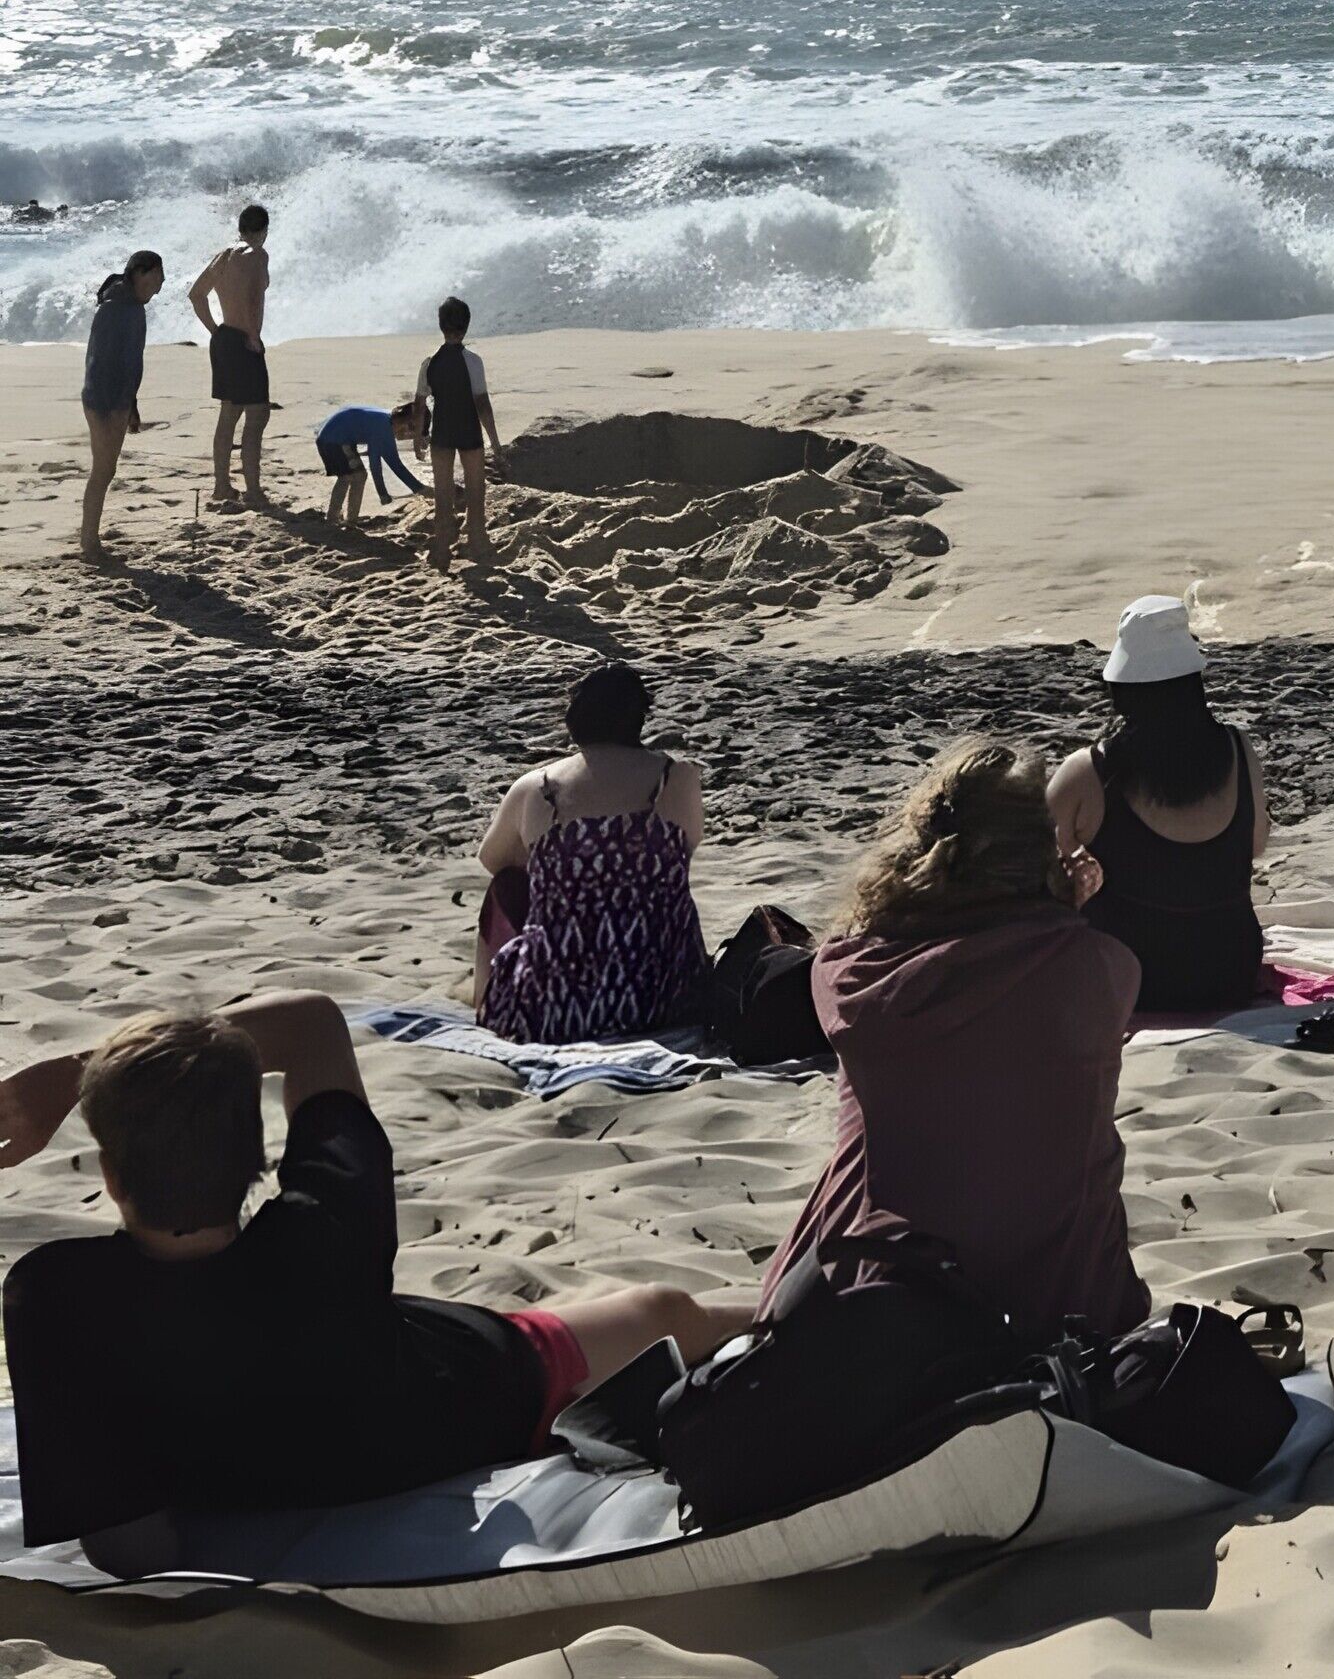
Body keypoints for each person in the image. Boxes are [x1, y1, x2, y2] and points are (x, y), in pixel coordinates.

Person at [0, 989, 747, 1570]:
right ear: (259, 1157)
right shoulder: (325, 1225)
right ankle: (801, 1301)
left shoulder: (56, 1299)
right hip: (467, 1398)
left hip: (406, 1384)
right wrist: (75, 1076)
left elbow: (132, 1552)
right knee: (664, 1311)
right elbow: (314, 1022)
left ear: (108, 1175)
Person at [767, 737, 1147, 1336]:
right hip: (1058, 1304)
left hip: (868, 1296)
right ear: (1042, 861)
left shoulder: (851, 977)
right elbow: (1038, 983)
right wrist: (1067, 909)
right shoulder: (1100, 970)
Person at [1048, 597, 1270, 1017]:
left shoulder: (1087, 771)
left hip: (1132, 979)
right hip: (1229, 971)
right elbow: (1255, 847)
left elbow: (1031, 869)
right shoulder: (1238, 749)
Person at [474, 663, 711, 1037]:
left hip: (556, 1008)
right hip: (664, 997)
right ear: (638, 719)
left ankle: (484, 1002)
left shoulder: (537, 786)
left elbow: (494, 860)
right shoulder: (676, 778)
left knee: (506, 886)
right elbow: (687, 850)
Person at [78, 253, 164, 563]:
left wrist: (132, 404)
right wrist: (115, 406)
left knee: (105, 469)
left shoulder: (124, 304)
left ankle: (90, 539)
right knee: (103, 470)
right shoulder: (119, 309)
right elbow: (103, 362)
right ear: (138, 274)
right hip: (105, 400)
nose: (159, 287)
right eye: (155, 279)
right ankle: (89, 543)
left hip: (113, 399)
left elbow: (129, 363)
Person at [189, 203, 272, 511]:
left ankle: (222, 485)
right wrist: (251, 336)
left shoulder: (224, 256)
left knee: (229, 414)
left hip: (224, 339)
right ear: (263, 231)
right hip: (244, 341)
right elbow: (253, 298)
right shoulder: (258, 255)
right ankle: (253, 489)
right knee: (257, 414)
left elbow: (196, 295)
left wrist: (215, 330)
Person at [415, 296, 500, 569]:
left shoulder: (430, 363)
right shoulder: (473, 361)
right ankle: (477, 540)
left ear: (441, 326)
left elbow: (420, 404)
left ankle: (442, 548)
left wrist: (418, 436)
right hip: (469, 434)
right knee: (476, 489)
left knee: (443, 492)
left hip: (442, 434)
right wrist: (495, 443)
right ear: (466, 327)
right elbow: (482, 404)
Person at [317, 395, 428, 534]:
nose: (409, 437)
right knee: (348, 477)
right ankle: (332, 518)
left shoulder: (386, 421)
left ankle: (351, 520)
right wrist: (385, 493)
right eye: (412, 432)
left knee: (359, 476)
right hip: (332, 439)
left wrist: (389, 492)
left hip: (340, 436)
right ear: (404, 423)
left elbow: (390, 460)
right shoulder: (383, 428)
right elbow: (378, 464)